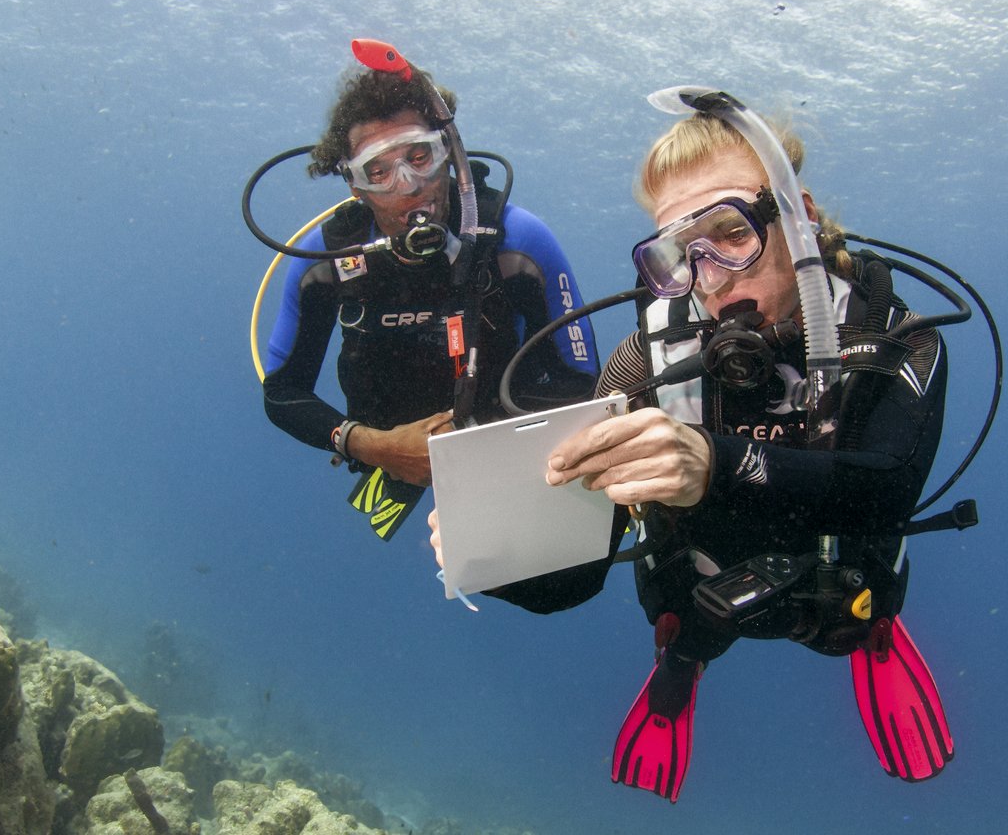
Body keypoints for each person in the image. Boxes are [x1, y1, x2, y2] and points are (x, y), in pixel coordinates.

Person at [430, 103, 957, 801]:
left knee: (857, 611)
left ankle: (877, 644)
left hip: (841, 595)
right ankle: (679, 668)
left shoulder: (900, 339)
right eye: (681, 253)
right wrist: (494, 556)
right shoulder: (641, 362)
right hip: (701, 594)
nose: (710, 277)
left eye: (731, 232)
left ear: (796, 217)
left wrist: (717, 461)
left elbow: (890, 488)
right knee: (685, 622)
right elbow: (579, 575)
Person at [261, 57, 599, 541]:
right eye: (379, 171)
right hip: (382, 448)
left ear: (448, 154)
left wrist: (461, 444)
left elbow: (579, 378)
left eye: (419, 157)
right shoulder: (325, 257)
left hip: (503, 435)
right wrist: (370, 445)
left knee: (555, 588)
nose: (408, 185)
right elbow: (282, 392)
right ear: (355, 186)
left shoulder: (516, 240)